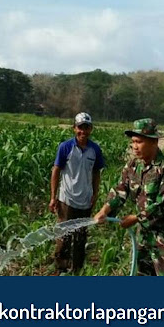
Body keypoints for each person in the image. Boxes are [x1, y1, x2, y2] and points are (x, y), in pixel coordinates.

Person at [94, 118, 164, 276]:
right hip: (144, 235)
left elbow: (163, 204)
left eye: (139, 142)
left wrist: (135, 218)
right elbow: (120, 189)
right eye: (133, 142)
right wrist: (105, 209)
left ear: (154, 142)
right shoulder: (133, 165)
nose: (134, 147)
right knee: (142, 274)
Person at [49, 112, 105, 273]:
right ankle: (60, 268)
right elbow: (56, 170)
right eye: (80, 128)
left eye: (86, 128)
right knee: (64, 236)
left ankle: (77, 270)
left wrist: (95, 194)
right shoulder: (65, 147)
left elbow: (96, 173)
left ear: (91, 129)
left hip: (85, 200)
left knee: (81, 237)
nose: (83, 131)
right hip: (66, 199)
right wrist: (53, 197)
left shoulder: (95, 150)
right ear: (74, 128)